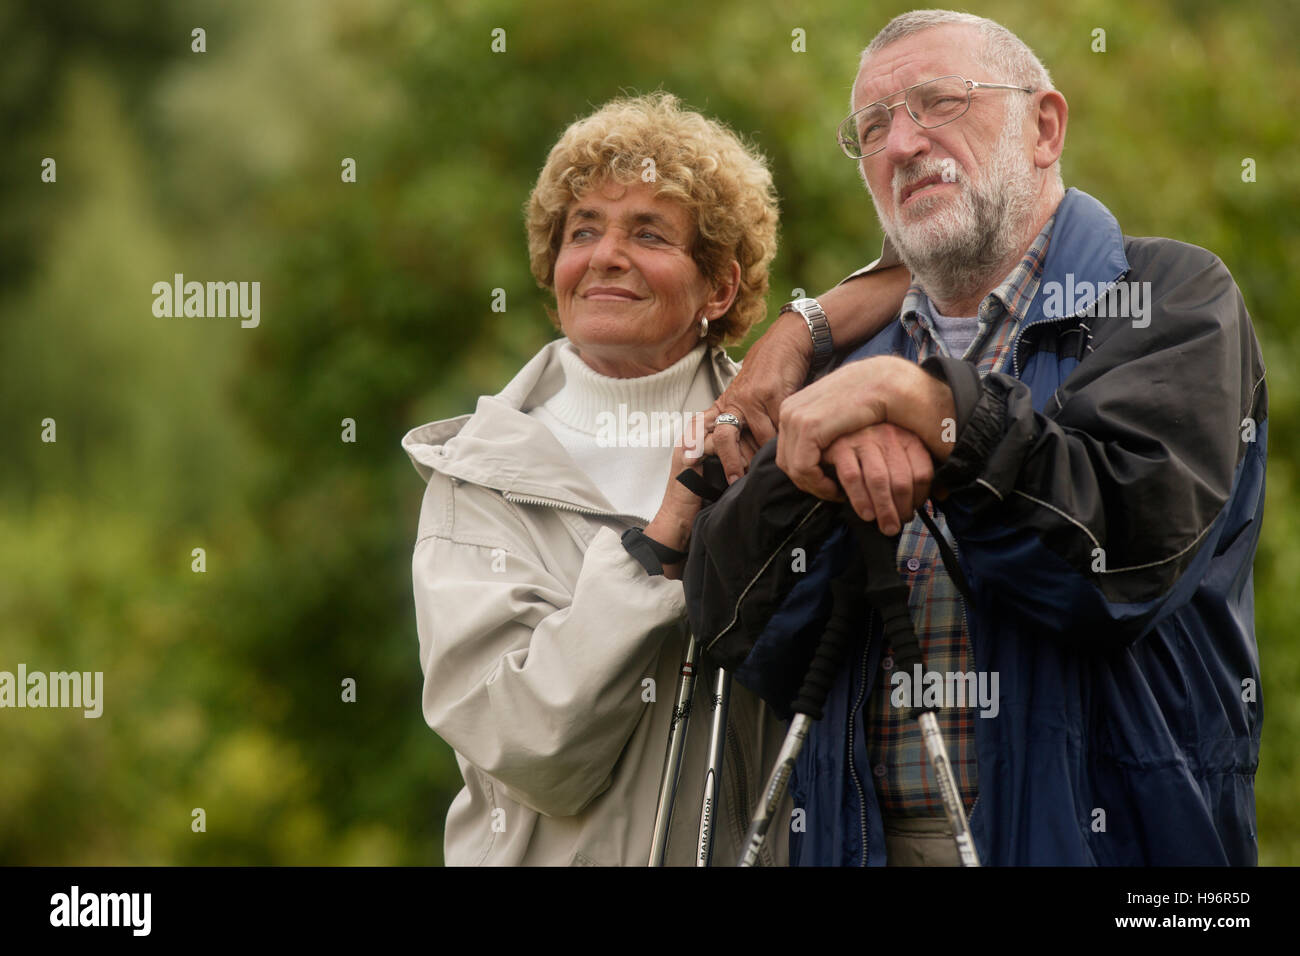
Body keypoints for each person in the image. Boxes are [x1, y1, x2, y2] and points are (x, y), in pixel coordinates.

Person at [691, 10, 1267, 865]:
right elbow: (738, 633)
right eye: (874, 128)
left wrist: (929, 406)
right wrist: (804, 477)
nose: (902, 144)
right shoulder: (843, 366)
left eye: (938, 101)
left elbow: (1118, 564)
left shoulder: (1170, 295)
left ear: (1044, 126)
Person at [402, 92, 908, 866]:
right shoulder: (479, 475)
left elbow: (937, 266)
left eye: (649, 233)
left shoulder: (783, 437)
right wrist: (664, 538)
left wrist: (800, 328)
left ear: (719, 289)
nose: (606, 255)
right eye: (584, 231)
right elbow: (526, 744)